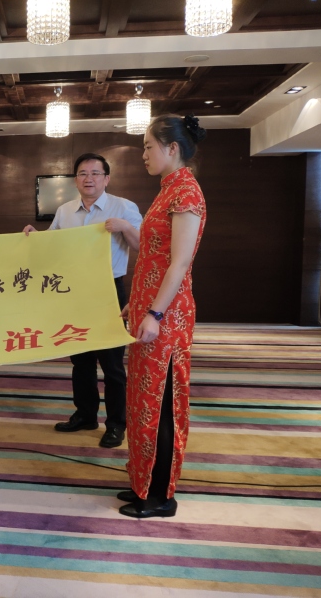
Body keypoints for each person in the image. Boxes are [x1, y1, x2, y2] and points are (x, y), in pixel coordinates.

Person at [118, 114, 207, 518]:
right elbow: (152, 257)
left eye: (148, 147)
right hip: (149, 313)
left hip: (166, 318)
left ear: (172, 149)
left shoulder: (186, 192)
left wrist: (154, 311)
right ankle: (143, 482)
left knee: (162, 402)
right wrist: (135, 304)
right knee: (142, 400)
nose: (143, 155)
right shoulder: (167, 189)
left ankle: (160, 495)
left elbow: (179, 263)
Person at [23, 153, 142, 448]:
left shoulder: (124, 207)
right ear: (75, 180)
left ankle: (116, 424)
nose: (89, 179)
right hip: (74, 291)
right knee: (81, 359)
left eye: (95, 173)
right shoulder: (64, 211)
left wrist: (126, 228)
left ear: (106, 178)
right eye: (82, 174)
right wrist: (33, 236)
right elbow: (51, 245)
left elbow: (145, 246)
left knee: (112, 363)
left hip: (108, 290)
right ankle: (86, 415)